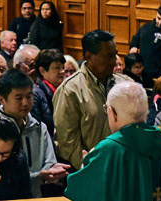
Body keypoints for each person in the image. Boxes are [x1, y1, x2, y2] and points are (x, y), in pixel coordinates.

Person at [53, 29, 130, 169]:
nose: (114, 62)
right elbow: (67, 142)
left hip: (124, 166)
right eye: (108, 56)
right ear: (89, 56)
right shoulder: (70, 90)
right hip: (90, 170)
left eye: (115, 55)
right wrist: (91, 168)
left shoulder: (125, 85)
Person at [0, 70, 68, 197]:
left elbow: (49, 161)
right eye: (18, 98)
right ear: (2, 100)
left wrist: (52, 170)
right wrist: (38, 177)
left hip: (37, 198)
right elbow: (2, 176)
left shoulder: (39, 127)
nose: (25, 103)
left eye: (29, 96)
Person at [31, 48, 64, 137]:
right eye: (57, 68)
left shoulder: (63, 91)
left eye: (63, 67)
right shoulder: (35, 94)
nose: (62, 71)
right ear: (43, 71)